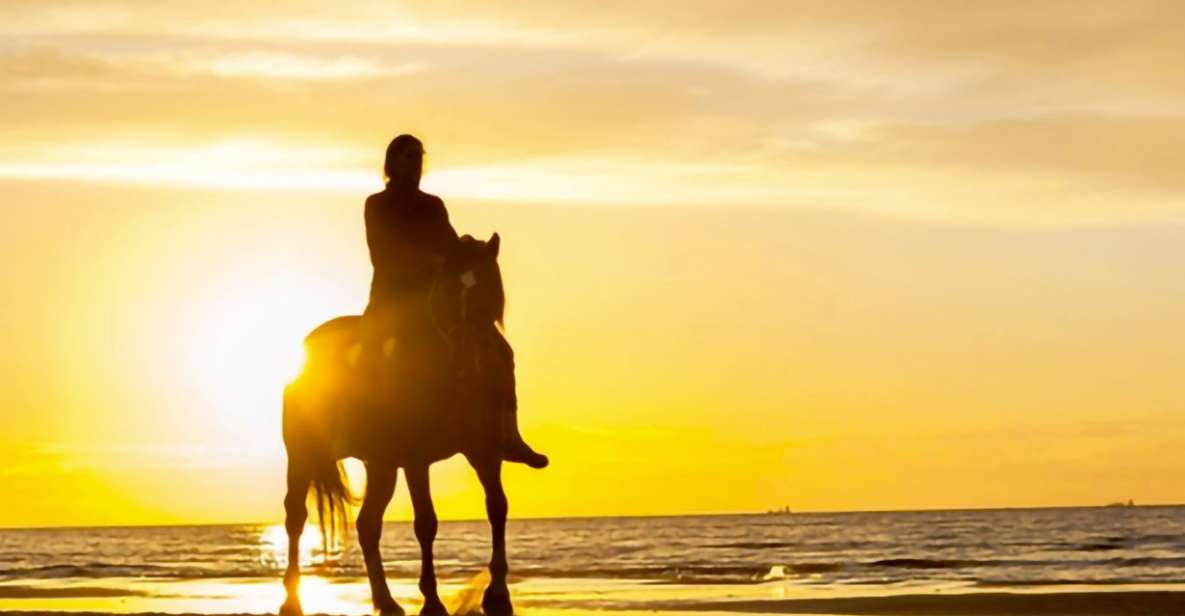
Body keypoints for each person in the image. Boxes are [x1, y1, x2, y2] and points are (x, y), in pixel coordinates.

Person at [361, 134, 547, 468]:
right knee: (370, 352)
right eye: (408, 158)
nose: (415, 164)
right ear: (393, 164)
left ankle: (510, 434)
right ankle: (361, 426)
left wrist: (473, 249)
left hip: (436, 301)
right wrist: (427, 261)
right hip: (392, 301)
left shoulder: (433, 205)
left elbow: (449, 244)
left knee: (501, 351)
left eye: (419, 158)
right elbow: (381, 254)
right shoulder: (377, 204)